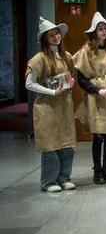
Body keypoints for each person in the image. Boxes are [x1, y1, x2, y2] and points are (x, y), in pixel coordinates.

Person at [73, 12, 106, 184]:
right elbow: (81, 79)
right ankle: (97, 170)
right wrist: (98, 90)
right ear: (94, 32)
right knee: (98, 135)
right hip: (96, 97)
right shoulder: (86, 51)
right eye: (100, 29)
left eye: (105, 29)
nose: (103, 32)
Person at [25, 17, 77, 192]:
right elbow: (29, 83)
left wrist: (70, 82)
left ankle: (64, 177)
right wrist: (52, 91)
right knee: (50, 143)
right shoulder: (39, 59)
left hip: (64, 105)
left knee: (67, 143)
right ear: (45, 39)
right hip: (47, 106)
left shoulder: (66, 56)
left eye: (57, 34)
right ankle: (49, 181)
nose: (56, 37)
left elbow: (71, 75)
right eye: (51, 35)